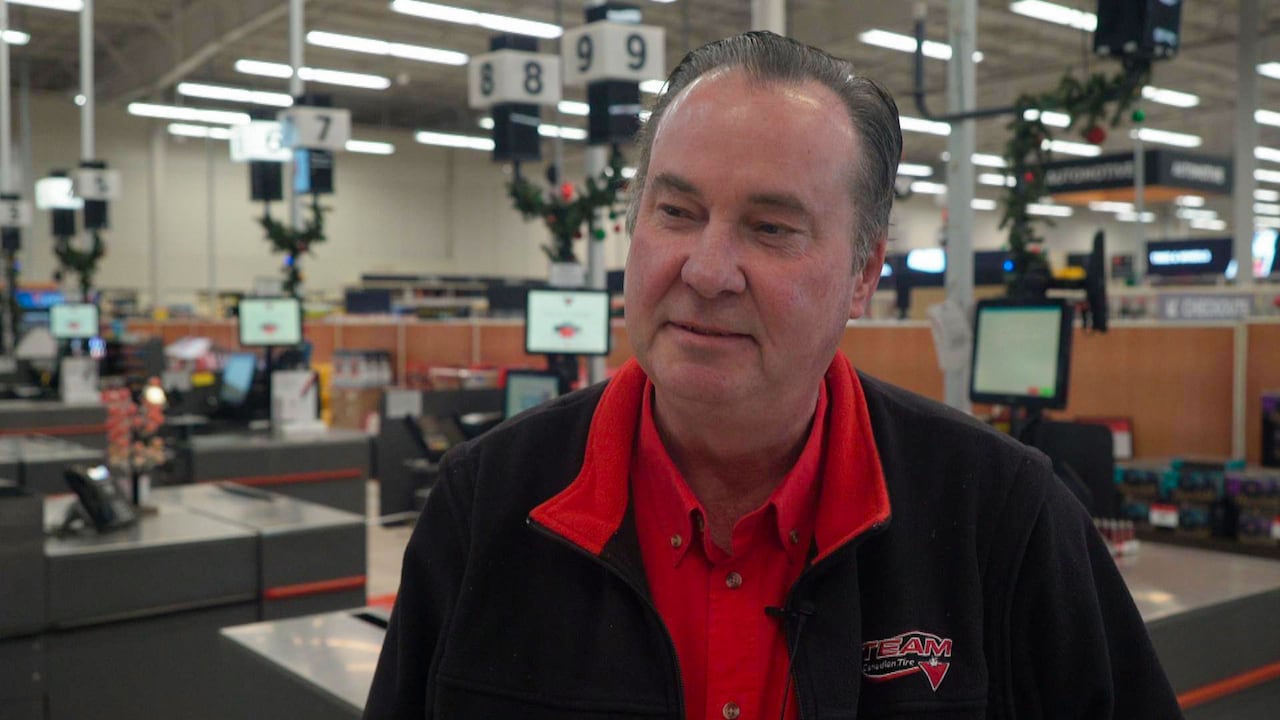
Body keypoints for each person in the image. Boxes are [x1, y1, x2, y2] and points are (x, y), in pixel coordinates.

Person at [364, 31, 1182, 720]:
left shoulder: (1004, 520)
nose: (708, 270)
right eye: (676, 212)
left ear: (864, 275)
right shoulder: (487, 506)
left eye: (772, 228)